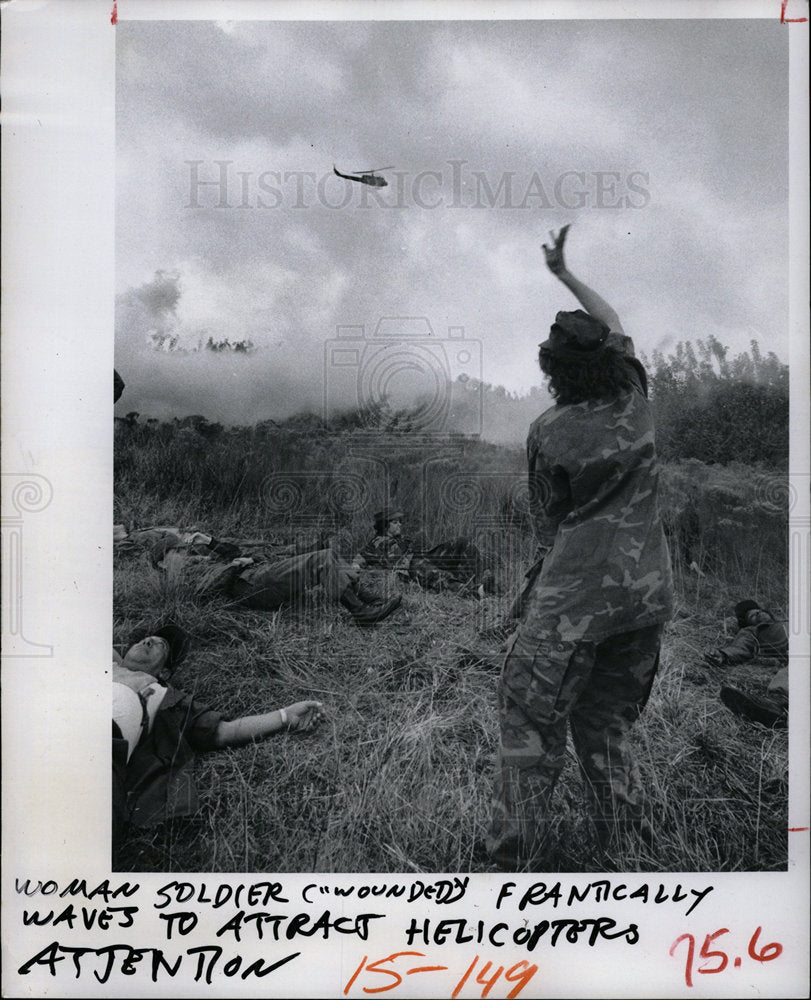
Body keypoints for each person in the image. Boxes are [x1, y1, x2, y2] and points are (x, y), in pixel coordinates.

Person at [487, 224, 673, 868]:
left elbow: (549, 522)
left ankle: (515, 858)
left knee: (528, 722)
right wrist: (565, 273)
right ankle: (625, 851)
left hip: (573, 604)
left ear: (552, 371)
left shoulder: (548, 430)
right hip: (647, 600)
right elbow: (613, 319)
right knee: (607, 728)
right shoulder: (635, 399)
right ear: (610, 361)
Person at [112, 624, 325, 846]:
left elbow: (225, 731)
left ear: (164, 673)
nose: (147, 641)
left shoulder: (164, 695)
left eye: (159, 645)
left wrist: (284, 716)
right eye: (145, 638)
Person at [140, 527, 401, 627]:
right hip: (253, 585)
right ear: (162, 561)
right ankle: (360, 612)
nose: (182, 553)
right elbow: (209, 588)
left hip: (254, 578)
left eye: (181, 549)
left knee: (328, 554)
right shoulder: (178, 580)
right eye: (175, 551)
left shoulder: (192, 562)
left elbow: (232, 552)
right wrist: (236, 565)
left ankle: (361, 597)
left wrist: (209, 541)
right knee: (320, 558)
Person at [361, 507, 497, 597]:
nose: (400, 524)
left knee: (462, 542)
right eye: (395, 522)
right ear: (385, 525)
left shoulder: (400, 539)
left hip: (421, 557)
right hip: (410, 567)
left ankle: (474, 584)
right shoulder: (377, 542)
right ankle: (475, 592)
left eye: (399, 522)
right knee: (439, 576)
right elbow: (361, 559)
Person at [704, 600, 789, 729]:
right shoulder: (752, 632)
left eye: (759, 611)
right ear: (747, 622)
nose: (759, 614)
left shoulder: (788, 621)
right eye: (753, 615)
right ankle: (777, 705)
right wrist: (723, 655)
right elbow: (740, 648)